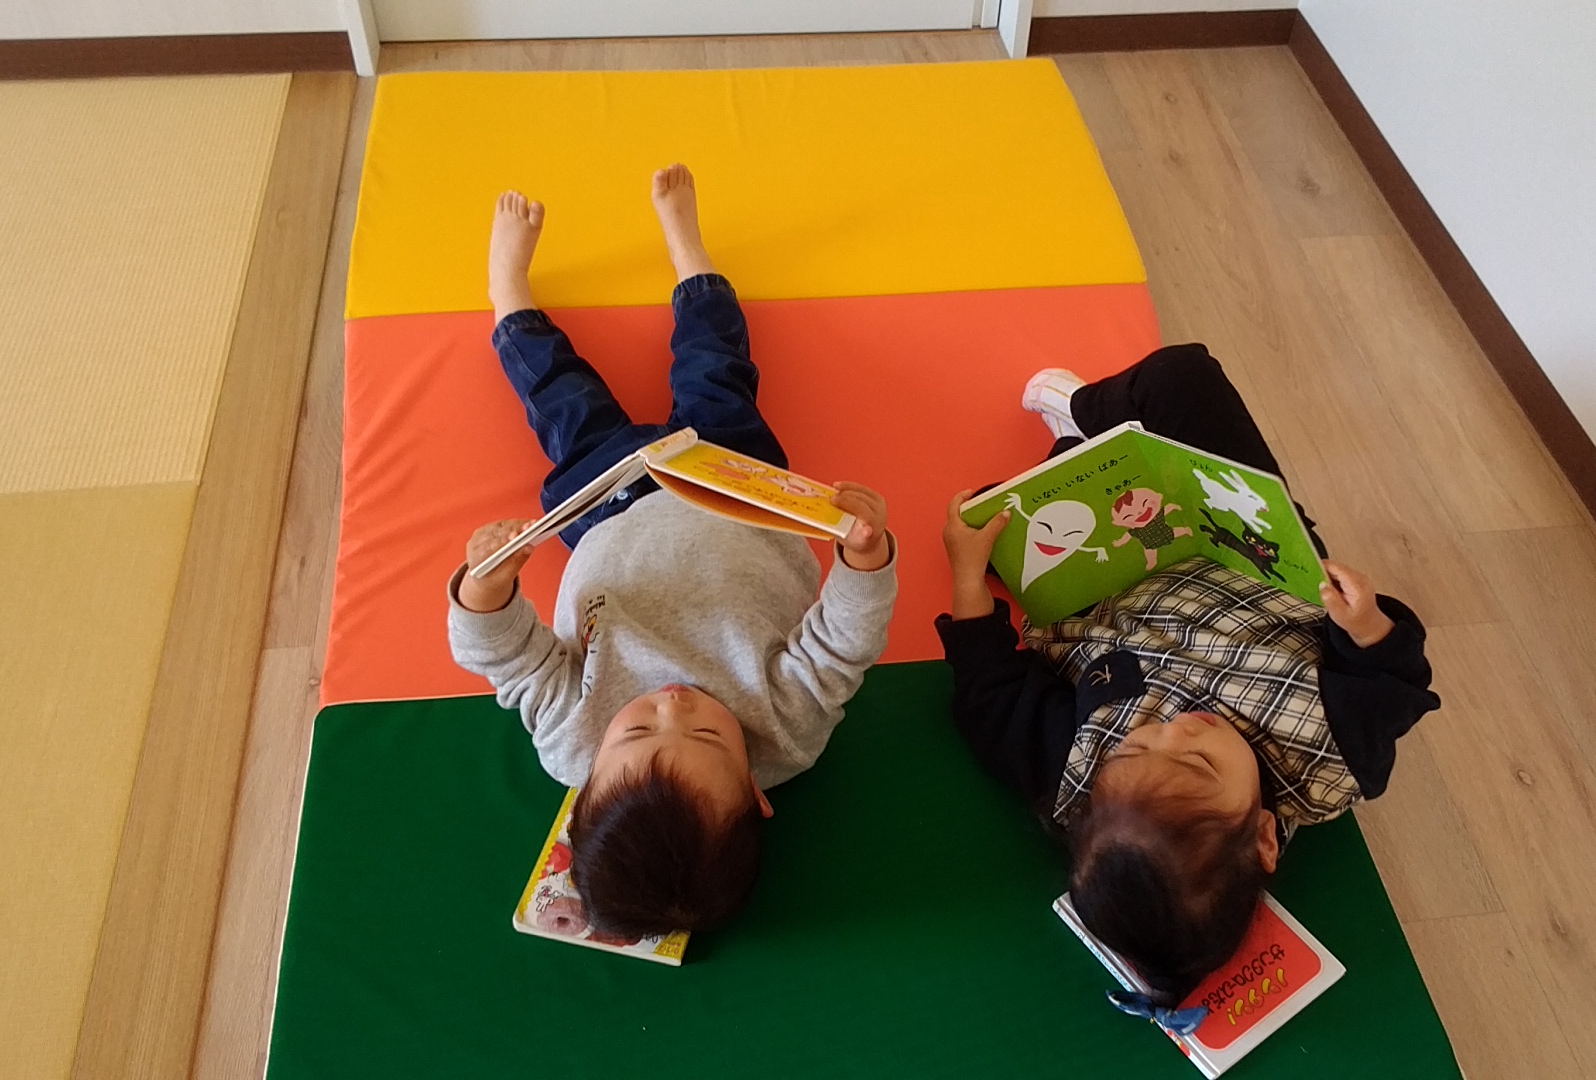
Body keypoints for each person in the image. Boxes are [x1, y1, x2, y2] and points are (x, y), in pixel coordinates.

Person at [451, 166, 898, 938]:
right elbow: (841, 646)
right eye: (707, 735)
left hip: (606, 512)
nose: (671, 707)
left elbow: (511, 662)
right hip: (740, 492)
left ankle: (509, 296)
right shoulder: (788, 732)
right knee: (718, 372)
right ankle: (691, 254)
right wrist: (864, 558)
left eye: (635, 732)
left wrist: (485, 591)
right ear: (755, 791)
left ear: (588, 780)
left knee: (561, 399)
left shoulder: (570, 741)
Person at [937, 346, 1439, 1010]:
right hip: (1248, 552)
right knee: (1181, 377)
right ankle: (1087, 429)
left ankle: (1082, 434)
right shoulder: (1330, 749)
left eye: (1136, 748)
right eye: (1200, 761)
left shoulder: (1077, 769)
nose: (1174, 730)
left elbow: (990, 698)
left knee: (983, 514)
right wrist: (1366, 626)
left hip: (1101, 582)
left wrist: (965, 581)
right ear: (1264, 835)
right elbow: (1397, 680)